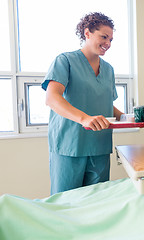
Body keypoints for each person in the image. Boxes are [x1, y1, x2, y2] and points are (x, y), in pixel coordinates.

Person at [41, 12, 123, 195]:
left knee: (96, 202)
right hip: (69, 144)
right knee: (66, 203)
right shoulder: (65, 61)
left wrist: (129, 118)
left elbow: (106, 103)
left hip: (99, 146)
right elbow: (52, 98)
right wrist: (84, 119)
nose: (108, 43)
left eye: (111, 39)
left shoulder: (108, 70)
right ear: (87, 33)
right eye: (103, 37)